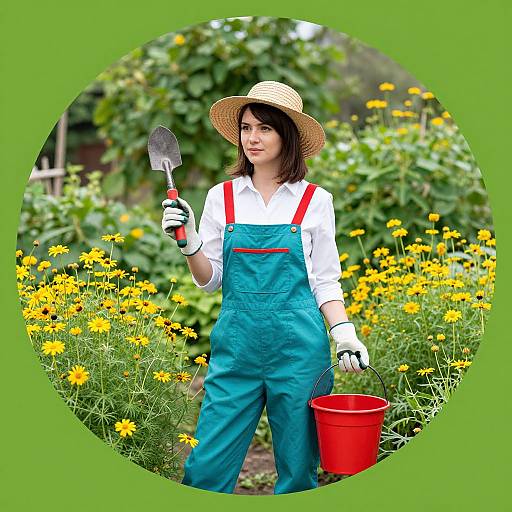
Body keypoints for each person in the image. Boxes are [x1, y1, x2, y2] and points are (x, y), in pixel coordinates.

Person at [161, 81, 369, 494]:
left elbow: (325, 279)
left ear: (287, 136)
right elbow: (210, 279)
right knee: (204, 468)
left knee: (298, 473)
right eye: (246, 127)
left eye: (265, 129)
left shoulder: (315, 200)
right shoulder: (222, 197)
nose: (252, 138)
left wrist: (344, 333)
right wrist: (188, 243)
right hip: (236, 349)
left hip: (299, 353)